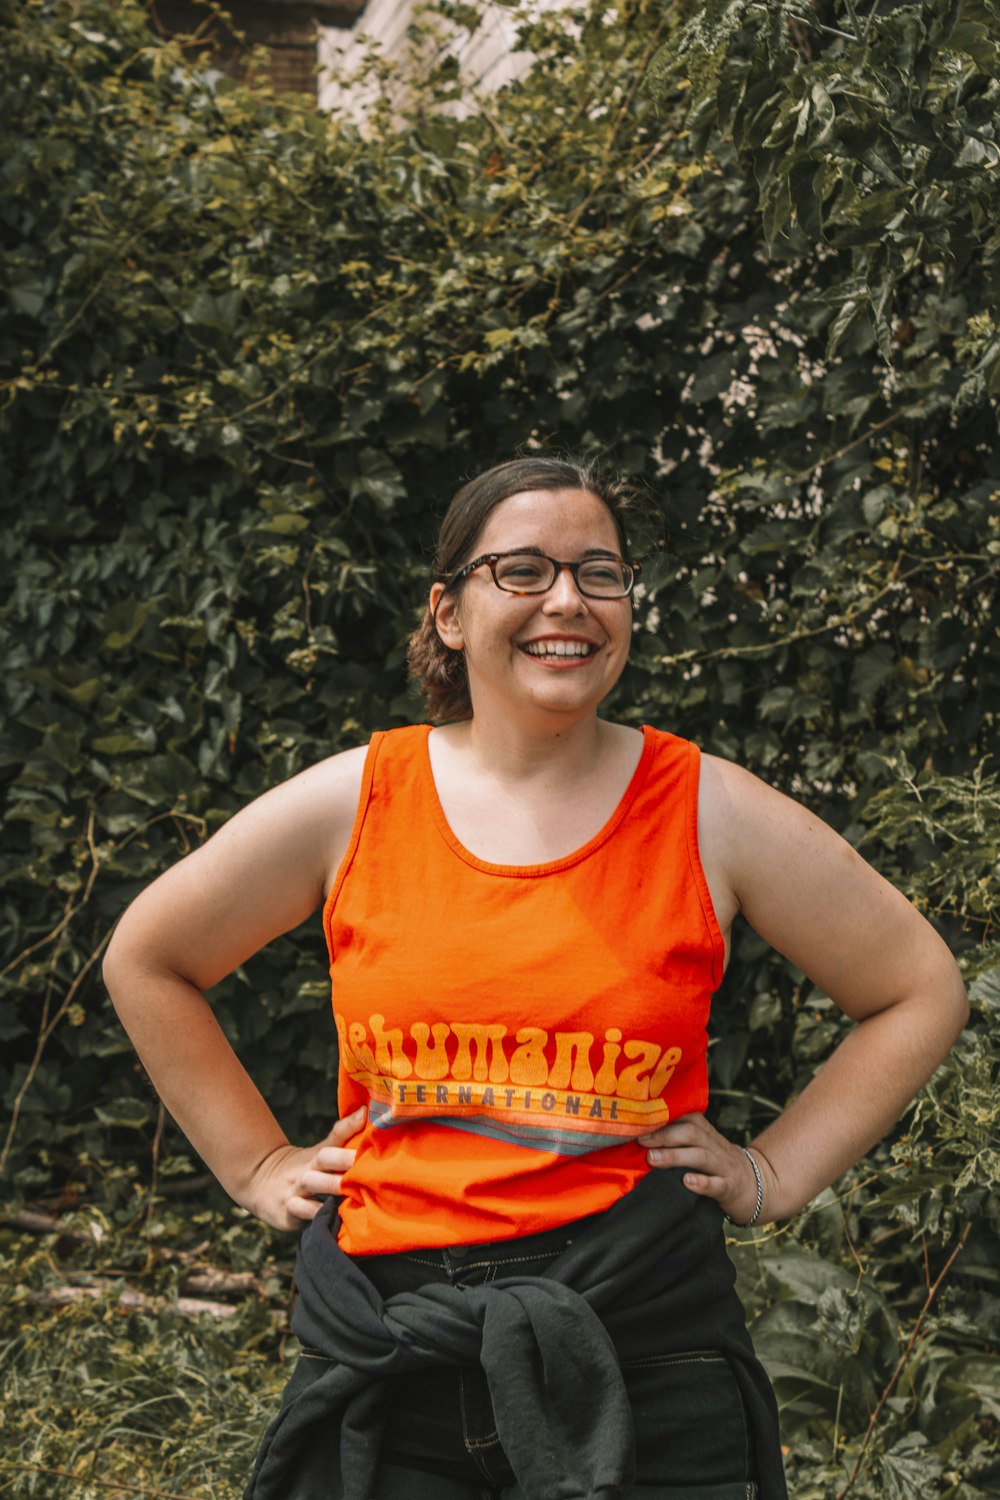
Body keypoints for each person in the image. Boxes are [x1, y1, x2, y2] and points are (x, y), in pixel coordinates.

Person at [102, 456, 968, 1500]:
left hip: (646, 1355)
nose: (567, 599)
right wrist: (253, 1164)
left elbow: (918, 987)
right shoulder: (355, 801)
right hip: (395, 1350)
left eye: (597, 572)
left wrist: (771, 1173)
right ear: (450, 611)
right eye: (522, 569)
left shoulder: (707, 810)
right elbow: (147, 959)